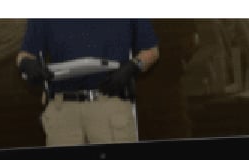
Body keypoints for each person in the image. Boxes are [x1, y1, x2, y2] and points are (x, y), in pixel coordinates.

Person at [16, 19, 159, 146]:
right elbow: (24, 54)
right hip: (63, 113)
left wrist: (133, 67)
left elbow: (152, 51)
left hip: (110, 105)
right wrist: (27, 64)